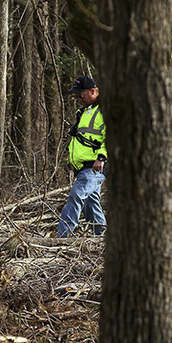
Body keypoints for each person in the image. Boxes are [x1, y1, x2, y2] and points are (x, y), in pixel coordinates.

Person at [58, 76, 108, 238]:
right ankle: (102, 235)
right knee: (90, 203)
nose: (79, 99)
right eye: (77, 96)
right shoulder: (85, 112)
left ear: (93, 91)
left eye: (82, 95)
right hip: (82, 167)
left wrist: (101, 158)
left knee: (76, 195)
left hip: (94, 166)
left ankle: (63, 236)